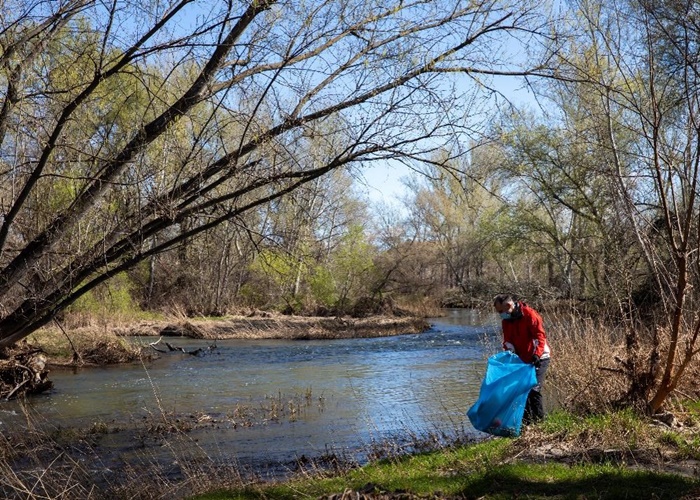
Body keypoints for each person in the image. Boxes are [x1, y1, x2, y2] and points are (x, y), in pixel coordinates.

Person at [493, 293, 551, 425]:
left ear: (509, 305)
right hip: (522, 359)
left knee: (534, 389)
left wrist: (537, 354)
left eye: (501, 311)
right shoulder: (506, 321)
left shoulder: (530, 315)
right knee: (522, 390)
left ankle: (540, 423)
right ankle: (526, 424)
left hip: (540, 357)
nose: (500, 314)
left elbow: (540, 336)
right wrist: (509, 352)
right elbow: (507, 340)